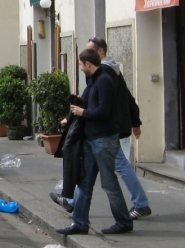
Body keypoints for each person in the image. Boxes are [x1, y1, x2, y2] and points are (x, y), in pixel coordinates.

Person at [51, 37, 151, 220]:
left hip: (105, 132)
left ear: (100, 53)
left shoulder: (103, 75)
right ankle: (74, 206)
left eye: (89, 52)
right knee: (91, 176)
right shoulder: (111, 71)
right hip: (105, 130)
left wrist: (74, 116)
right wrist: (135, 122)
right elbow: (126, 97)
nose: (82, 65)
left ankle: (138, 206)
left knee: (112, 176)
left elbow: (96, 104)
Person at [56, 49, 133, 235]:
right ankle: (80, 223)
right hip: (92, 139)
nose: (81, 69)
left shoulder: (104, 80)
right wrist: (76, 110)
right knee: (84, 182)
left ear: (88, 64)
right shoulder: (94, 81)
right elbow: (91, 103)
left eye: (81, 65)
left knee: (108, 183)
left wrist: (83, 112)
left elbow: (104, 111)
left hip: (104, 139)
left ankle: (123, 221)